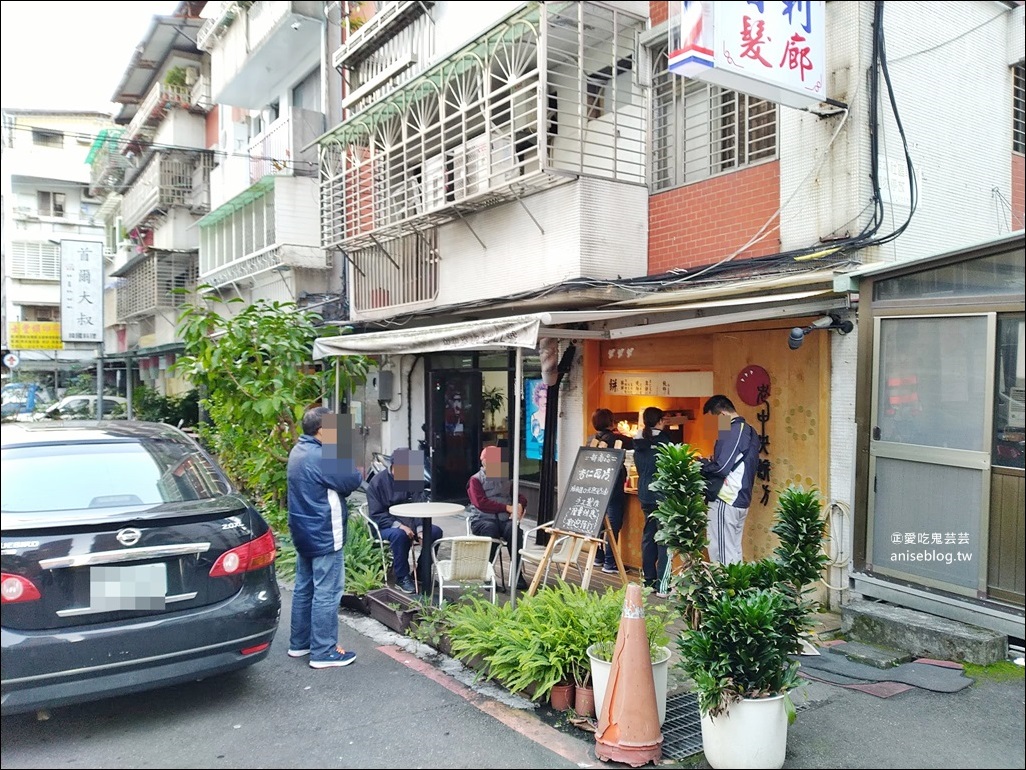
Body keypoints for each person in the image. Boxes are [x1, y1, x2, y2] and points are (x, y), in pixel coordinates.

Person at [286, 406, 363, 668]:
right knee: (327, 592)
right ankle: (324, 651)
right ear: (322, 430)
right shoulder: (325, 455)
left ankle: (300, 644)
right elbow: (352, 480)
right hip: (325, 532)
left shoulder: (299, 450)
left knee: (304, 588)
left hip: (303, 530)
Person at [366, 447, 442, 595]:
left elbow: (419, 506)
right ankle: (402, 577)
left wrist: (420, 528)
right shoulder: (377, 482)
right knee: (399, 536)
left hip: (412, 523)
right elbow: (377, 514)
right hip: (386, 525)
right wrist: (400, 526)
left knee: (434, 532)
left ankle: (422, 571)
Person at [700, 394, 761, 565]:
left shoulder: (733, 430)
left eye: (714, 421)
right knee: (733, 549)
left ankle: (725, 590)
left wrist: (701, 465)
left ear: (722, 415)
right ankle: (738, 589)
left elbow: (721, 466)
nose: (715, 427)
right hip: (740, 498)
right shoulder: (749, 430)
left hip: (726, 498)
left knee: (720, 550)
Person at [467, 445, 529, 591]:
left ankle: (517, 573)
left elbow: (520, 496)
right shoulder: (475, 480)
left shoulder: (505, 478)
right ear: (483, 462)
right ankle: (487, 576)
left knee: (514, 530)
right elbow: (481, 503)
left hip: (503, 520)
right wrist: (507, 508)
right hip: (482, 520)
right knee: (491, 529)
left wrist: (520, 505)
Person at [633, 406, 674, 596]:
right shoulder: (665, 443)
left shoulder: (638, 441)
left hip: (644, 494)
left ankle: (648, 581)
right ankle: (663, 586)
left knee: (649, 536)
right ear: (659, 421)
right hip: (662, 496)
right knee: (664, 539)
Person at [588, 407, 631, 574]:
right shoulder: (615, 438)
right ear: (610, 422)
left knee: (599, 522)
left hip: (596, 486)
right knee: (613, 524)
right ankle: (610, 562)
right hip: (613, 486)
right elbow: (635, 443)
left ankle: (598, 557)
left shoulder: (591, 439)